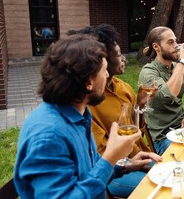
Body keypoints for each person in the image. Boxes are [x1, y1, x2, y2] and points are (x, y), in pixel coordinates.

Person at [14, 35, 141, 198]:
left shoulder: (78, 114)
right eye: (104, 71)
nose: (108, 76)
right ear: (89, 82)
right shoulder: (48, 136)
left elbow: (90, 168)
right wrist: (109, 159)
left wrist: (125, 165)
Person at [68, 24, 162, 198]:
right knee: (161, 190)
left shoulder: (123, 87)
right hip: (114, 171)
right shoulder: (86, 106)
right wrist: (124, 164)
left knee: (173, 175)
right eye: (118, 55)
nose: (124, 58)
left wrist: (140, 105)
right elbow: (102, 159)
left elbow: (136, 129)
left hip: (131, 160)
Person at [139, 26, 184, 155]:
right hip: (163, 139)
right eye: (170, 42)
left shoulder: (177, 68)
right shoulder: (149, 72)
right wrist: (182, 62)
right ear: (156, 47)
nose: (176, 46)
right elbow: (169, 95)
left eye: (175, 41)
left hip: (182, 130)